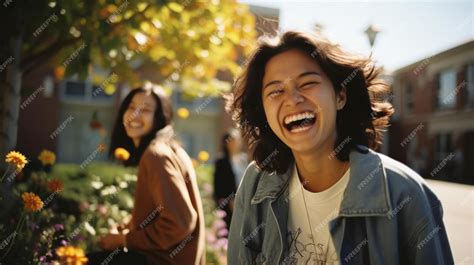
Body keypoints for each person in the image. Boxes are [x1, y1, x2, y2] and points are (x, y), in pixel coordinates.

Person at [226, 31, 454, 264]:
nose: (293, 99)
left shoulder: (404, 192)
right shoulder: (255, 184)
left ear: (340, 96)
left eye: (308, 83)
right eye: (276, 91)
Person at [87, 87, 205, 265]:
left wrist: (124, 240)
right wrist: (126, 227)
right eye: (131, 107)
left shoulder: (155, 155)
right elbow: (160, 213)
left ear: (159, 118)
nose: (134, 114)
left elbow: (180, 222)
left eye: (145, 110)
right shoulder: (170, 149)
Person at [213, 129, 248, 228]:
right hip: (228, 205)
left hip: (244, 202)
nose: (236, 143)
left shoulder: (244, 160)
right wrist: (230, 200)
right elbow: (218, 185)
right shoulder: (221, 162)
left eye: (237, 140)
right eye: (232, 140)